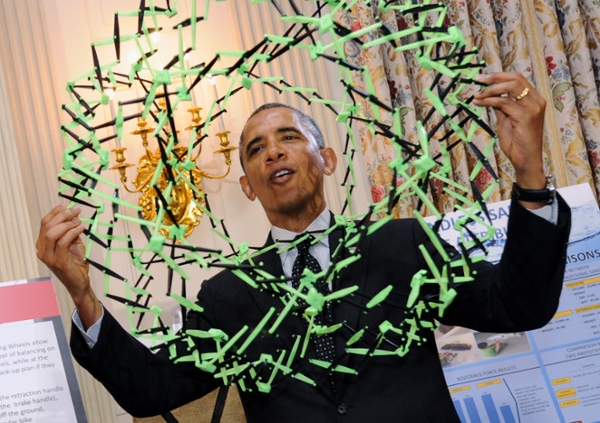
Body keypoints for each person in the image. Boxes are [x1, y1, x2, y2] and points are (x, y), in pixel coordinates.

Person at [37, 72, 571, 422]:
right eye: (255, 149)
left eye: (288, 137)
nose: (273, 152)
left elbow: (520, 303)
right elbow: (149, 389)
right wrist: (84, 296)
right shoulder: (228, 297)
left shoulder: (402, 246)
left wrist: (528, 173)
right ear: (247, 184)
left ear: (328, 160)